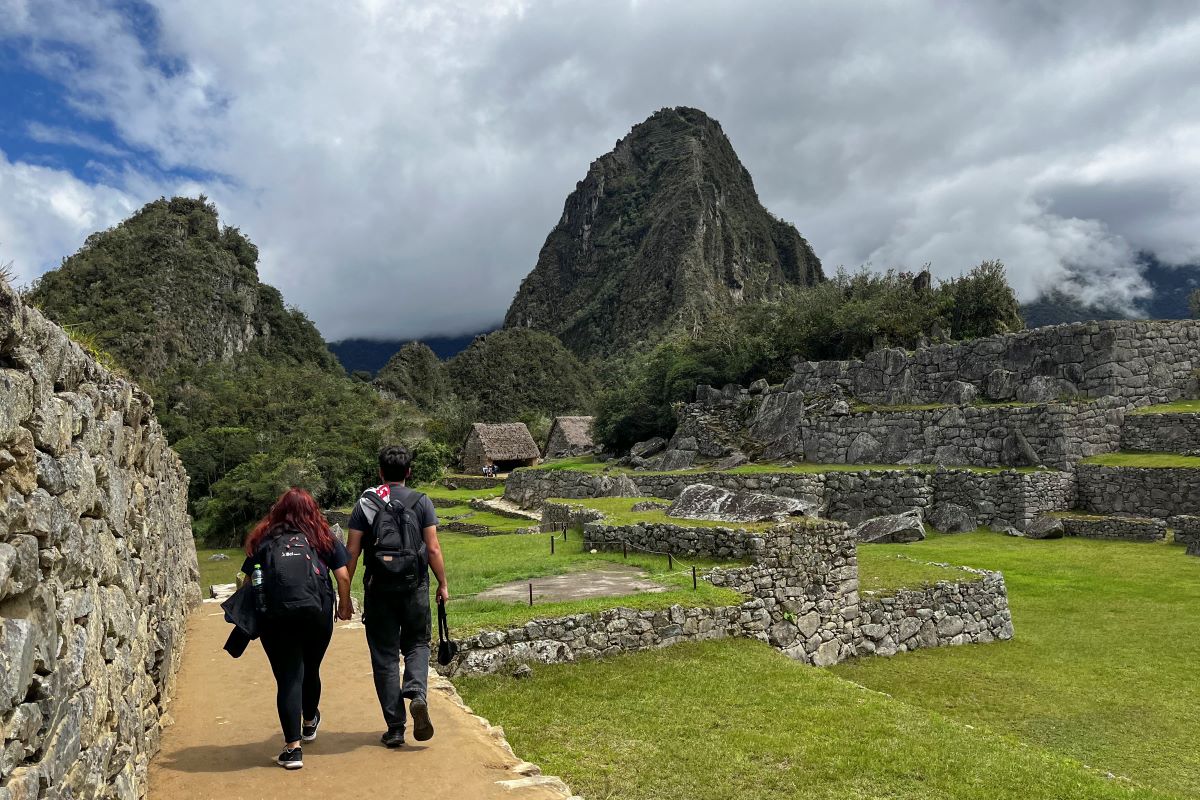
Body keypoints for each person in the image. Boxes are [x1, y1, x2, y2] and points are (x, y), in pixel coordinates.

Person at [242, 488, 353, 770]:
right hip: (317, 614)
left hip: (276, 617)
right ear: (312, 510)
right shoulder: (323, 537)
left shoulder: (265, 540)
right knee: (311, 668)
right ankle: (309, 721)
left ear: (278, 510)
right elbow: (343, 576)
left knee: (289, 676)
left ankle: (293, 749)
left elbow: (248, 582)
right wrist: (344, 605)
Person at [347, 445, 449, 748]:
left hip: (379, 590)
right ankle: (417, 693)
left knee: (385, 657)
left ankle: (395, 728)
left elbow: (352, 551)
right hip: (414, 586)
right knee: (417, 643)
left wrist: (344, 594)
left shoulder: (366, 504)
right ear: (409, 472)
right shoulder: (421, 501)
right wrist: (442, 583)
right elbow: (433, 548)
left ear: (380, 472)